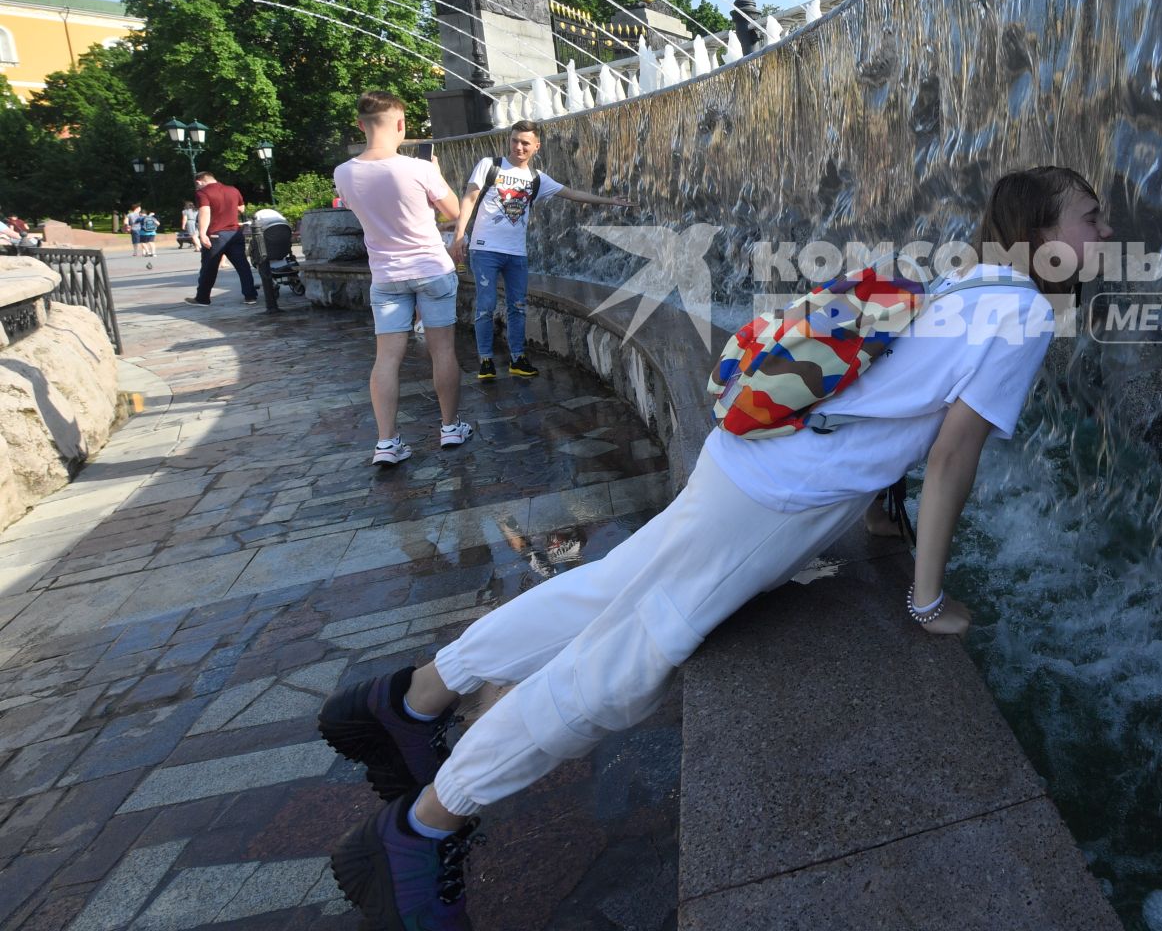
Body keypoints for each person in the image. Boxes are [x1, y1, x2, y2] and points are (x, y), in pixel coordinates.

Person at [317, 166, 1110, 929]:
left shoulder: (970, 278)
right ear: (1038, 231)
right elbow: (951, 455)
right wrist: (927, 597)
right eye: (1090, 217)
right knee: (623, 670)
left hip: (752, 453)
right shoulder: (1026, 313)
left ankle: (413, 698)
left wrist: (878, 510)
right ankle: (421, 829)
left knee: (610, 587)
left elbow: (902, 394)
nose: (1105, 231)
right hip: (779, 497)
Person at [331, 91, 474, 467]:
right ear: (401, 124)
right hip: (431, 270)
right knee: (442, 350)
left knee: (386, 359)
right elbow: (455, 211)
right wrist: (437, 174)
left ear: (361, 125)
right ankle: (450, 427)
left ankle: (387, 443)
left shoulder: (343, 172)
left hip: (386, 278)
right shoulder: (419, 169)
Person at [450, 119, 638, 382]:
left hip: (516, 253)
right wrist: (459, 236)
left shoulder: (537, 179)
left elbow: (572, 194)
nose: (518, 147)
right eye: (515, 140)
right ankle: (486, 360)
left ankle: (517, 358)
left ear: (536, 146)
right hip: (485, 249)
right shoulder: (489, 165)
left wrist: (610, 201)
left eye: (525, 143)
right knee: (486, 305)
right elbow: (469, 198)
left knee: (518, 305)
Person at [184, 172, 257, 305]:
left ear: (199, 182)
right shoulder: (233, 190)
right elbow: (241, 208)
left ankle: (202, 298)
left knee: (209, 267)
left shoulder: (203, 193)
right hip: (234, 233)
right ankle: (250, 296)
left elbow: (204, 212)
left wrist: (202, 233)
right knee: (243, 266)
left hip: (215, 235)